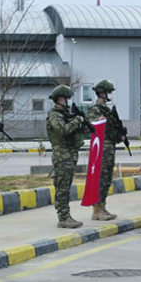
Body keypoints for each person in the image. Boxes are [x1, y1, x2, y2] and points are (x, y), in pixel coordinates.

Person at [46, 85, 87, 229]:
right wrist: (77, 121)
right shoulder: (54, 115)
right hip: (62, 154)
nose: (69, 101)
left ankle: (67, 216)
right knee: (62, 187)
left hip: (70, 153)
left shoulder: (66, 114)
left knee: (66, 186)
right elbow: (63, 130)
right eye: (67, 98)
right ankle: (63, 218)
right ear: (61, 99)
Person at [87, 80, 120, 221]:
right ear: (102, 93)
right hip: (101, 147)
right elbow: (91, 126)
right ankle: (96, 210)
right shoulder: (95, 109)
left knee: (107, 178)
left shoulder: (108, 110)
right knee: (100, 178)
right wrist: (98, 120)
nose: (111, 95)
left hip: (110, 146)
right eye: (109, 92)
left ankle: (103, 206)